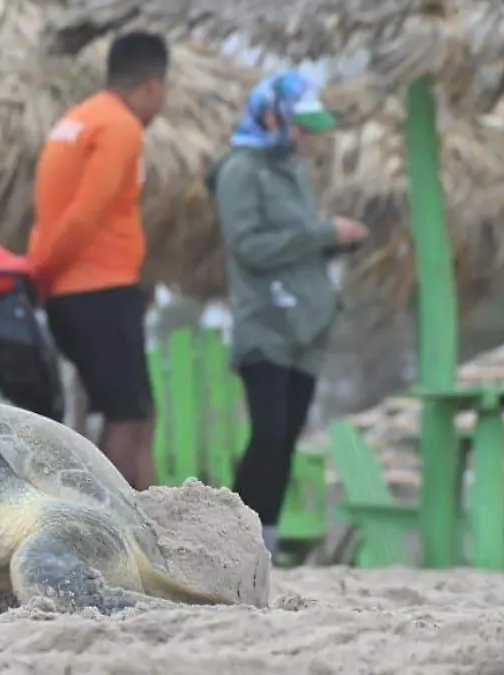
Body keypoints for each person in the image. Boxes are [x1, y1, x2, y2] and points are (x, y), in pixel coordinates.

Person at [206, 70, 370, 556]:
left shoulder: (292, 170)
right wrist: (323, 234)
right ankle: (229, 538)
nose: (303, 136)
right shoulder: (240, 170)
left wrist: (337, 243)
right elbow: (249, 246)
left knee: (288, 436)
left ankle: (267, 539)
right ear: (272, 115)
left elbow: (294, 244)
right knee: (268, 432)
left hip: (308, 325)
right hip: (266, 324)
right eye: (298, 125)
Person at [27, 31, 170, 490]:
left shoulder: (77, 120)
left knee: (132, 410)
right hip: (98, 290)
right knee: (130, 417)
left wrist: (44, 275)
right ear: (150, 85)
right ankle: (134, 523)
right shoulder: (120, 127)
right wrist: (43, 271)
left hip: (75, 292)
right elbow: (84, 215)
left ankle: (144, 519)